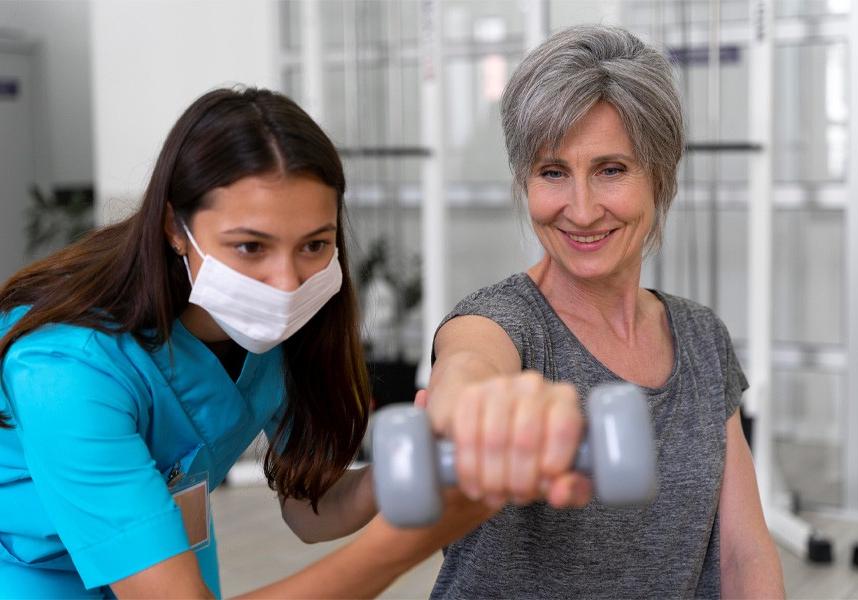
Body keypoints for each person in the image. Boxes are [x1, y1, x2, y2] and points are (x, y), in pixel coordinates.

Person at [0, 87, 491, 599]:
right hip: (29, 565)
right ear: (174, 227)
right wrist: (404, 545)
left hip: (164, 535)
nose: (286, 282)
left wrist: (401, 473)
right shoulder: (64, 368)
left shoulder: (282, 335)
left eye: (314, 245)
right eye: (250, 247)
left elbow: (309, 509)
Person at [423, 24, 785, 598]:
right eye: (553, 172)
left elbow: (743, 552)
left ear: (659, 177)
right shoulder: (503, 321)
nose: (582, 209)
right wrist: (468, 406)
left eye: (611, 170)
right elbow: (470, 362)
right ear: (525, 182)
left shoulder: (699, 336)